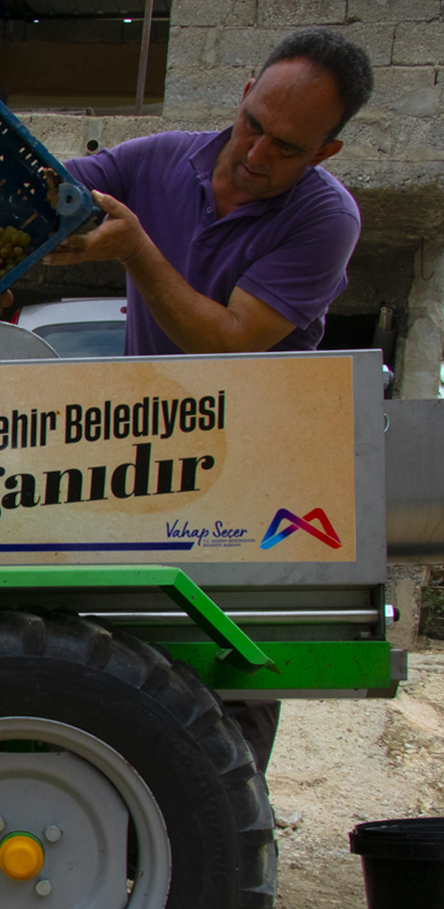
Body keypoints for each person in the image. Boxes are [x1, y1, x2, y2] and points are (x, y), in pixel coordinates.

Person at [44, 26, 373, 773]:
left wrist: (135, 248)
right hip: (150, 462)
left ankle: (222, 858)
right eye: (254, 125)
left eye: (287, 147)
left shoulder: (327, 218)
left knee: (233, 676)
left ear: (326, 153)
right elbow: (54, 182)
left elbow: (228, 340)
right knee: (131, 665)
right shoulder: (160, 158)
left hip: (257, 481)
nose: (257, 154)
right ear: (243, 93)